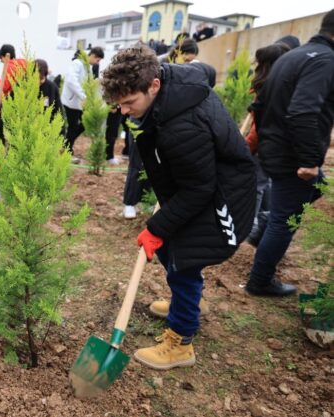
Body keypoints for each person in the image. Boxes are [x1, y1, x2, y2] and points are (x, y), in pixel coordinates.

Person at [101, 46, 256, 370]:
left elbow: (199, 188)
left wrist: (157, 228)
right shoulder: (171, 94)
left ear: (153, 85)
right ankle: (181, 306)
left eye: (130, 103)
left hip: (219, 198)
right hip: (201, 186)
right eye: (120, 105)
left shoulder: (182, 125)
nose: (125, 111)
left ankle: (181, 341)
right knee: (176, 254)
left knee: (185, 260)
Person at [246, 10, 334, 297]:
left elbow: (260, 105)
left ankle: (263, 229)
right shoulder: (324, 60)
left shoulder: (292, 57)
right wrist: (309, 159)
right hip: (293, 155)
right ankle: (260, 281)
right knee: (285, 219)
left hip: (276, 148)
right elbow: (303, 111)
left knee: (318, 187)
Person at [243, 42, 292, 246]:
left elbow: (258, 129)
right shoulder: (285, 84)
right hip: (277, 146)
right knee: (266, 183)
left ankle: (251, 227)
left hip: (265, 145)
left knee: (257, 184)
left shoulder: (268, 87)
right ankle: (262, 222)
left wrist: (245, 148)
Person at [60, 46, 104, 160]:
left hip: (79, 102)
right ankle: (67, 151)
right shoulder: (77, 63)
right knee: (73, 127)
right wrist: (83, 96)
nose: (97, 63)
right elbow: (71, 81)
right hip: (71, 101)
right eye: (97, 60)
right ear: (93, 55)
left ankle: (66, 145)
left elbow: (85, 83)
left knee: (84, 124)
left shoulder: (87, 67)